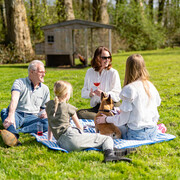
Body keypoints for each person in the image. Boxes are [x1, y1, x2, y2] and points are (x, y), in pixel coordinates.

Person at [46, 80, 132, 163]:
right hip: (72, 139)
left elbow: (50, 123)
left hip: (62, 143)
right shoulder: (69, 107)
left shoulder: (49, 105)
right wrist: (83, 132)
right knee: (106, 138)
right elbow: (80, 127)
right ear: (66, 95)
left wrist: (49, 139)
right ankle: (110, 155)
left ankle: (115, 151)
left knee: (96, 141)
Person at [96, 54, 161, 141]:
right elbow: (154, 112)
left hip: (136, 135)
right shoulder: (150, 85)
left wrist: (106, 119)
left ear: (128, 69)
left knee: (114, 127)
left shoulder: (129, 89)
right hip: (153, 132)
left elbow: (122, 120)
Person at [1, 60, 50, 146]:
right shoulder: (19, 82)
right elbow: (14, 99)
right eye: (41, 72)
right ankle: (13, 137)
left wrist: (45, 113)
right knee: (5, 112)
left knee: (47, 123)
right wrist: (11, 115)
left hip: (32, 117)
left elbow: (43, 109)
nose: (44, 75)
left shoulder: (45, 89)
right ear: (32, 72)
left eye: (44, 72)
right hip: (17, 113)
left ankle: (15, 131)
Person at [77, 46, 121, 119]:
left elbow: (118, 94)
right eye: (104, 58)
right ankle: (104, 118)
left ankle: (105, 118)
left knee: (115, 112)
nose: (107, 60)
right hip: (98, 107)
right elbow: (83, 92)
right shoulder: (90, 72)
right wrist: (90, 94)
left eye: (109, 57)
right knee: (79, 113)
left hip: (112, 105)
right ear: (97, 58)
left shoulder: (113, 72)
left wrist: (104, 94)